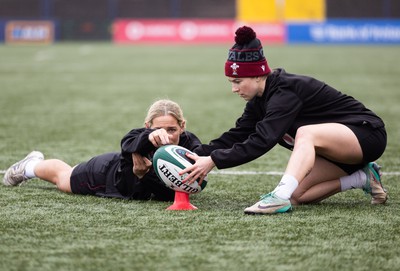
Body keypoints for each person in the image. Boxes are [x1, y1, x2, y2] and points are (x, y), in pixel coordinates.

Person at [181, 26, 387, 215]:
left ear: (257, 76)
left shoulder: (284, 92)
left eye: (237, 81)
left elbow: (263, 140)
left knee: (305, 133)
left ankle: (278, 197)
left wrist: (214, 160)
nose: (234, 89)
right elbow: (237, 135)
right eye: (231, 82)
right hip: (337, 150)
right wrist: (194, 156)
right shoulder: (258, 101)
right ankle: (362, 177)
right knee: (297, 196)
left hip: (366, 134)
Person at [3, 99, 201, 201]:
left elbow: (172, 192)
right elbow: (127, 145)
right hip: (106, 175)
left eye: (172, 130)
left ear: (182, 126)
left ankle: (32, 164)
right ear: (147, 126)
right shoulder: (137, 137)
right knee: (62, 178)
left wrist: (147, 175)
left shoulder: (190, 145)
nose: (165, 135)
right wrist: (149, 139)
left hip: (140, 187)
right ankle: (30, 166)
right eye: (158, 129)